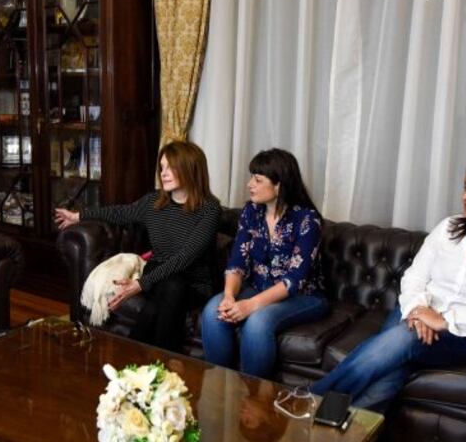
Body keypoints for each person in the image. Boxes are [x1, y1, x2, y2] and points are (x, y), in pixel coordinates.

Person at [310, 154, 466, 410]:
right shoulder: (449, 227)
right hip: (417, 311)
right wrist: (418, 311)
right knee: (394, 361)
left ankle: (312, 399)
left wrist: (445, 321)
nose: (465, 196)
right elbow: (415, 275)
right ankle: (342, 429)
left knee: (402, 339)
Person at [54, 140, 221, 352]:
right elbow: (119, 213)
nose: (164, 173)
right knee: (170, 288)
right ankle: (159, 364)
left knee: (158, 303)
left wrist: (140, 284)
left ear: (190, 168)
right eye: (162, 168)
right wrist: (79, 216)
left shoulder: (209, 209)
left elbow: (185, 258)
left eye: (171, 167)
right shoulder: (153, 202)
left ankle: (133, 358)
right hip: (159, 275)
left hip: (194, 283)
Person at [201, 148, 329, 379]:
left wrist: (250, 305)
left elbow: (294, 280)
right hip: (258, 286)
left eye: (258, 180)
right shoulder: (251, 212)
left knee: (258, 322)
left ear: (279, 185)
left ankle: (255, 399)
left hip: (304, 296)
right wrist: (229, 296)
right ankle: (221, 387)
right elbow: (236, 262)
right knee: (213, 311)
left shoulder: (307, 219)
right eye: (251, 177)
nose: (250, 184)